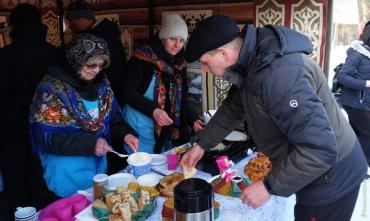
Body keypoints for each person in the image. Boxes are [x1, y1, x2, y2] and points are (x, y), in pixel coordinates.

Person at [181, 15, 368, 221]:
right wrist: (202, 145)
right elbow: (233, 108)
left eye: (205, 63)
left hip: (332, 177)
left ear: (224, 54)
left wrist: (269, 186)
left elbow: (319, 148)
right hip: (318, 168)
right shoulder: (253, 62)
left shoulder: (279, 75)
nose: (205, 70)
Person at [28, 33, 139, 197]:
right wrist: (90, 144)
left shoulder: (101, 83)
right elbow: (48, 138)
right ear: (76, 62)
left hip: (96, 166)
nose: (96, 70)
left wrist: (126, 134)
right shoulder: (51, 90)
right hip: (67, 172)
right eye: (91, 65)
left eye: (101, 65)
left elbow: (112, 115)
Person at [0, 3, 59, 215]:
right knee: (43, 180)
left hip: (11, 133)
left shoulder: (4, 56)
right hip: (48, 131)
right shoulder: (54, 54)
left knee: (17, 184)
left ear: (13, 26)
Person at [121, 13, 200, 154]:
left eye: (182, 40)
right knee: (141, 168)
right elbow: (128, 93)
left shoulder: (179, 63)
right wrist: (154, 110)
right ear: (163, 38)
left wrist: (193, 119)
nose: (177, 45)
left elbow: (183, 98)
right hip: (140, 127)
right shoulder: (142, 58)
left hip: (166, 130)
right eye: (172, 39)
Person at [64, 0, 127, 106]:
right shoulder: (107, 31)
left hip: (104, 94)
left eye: (71, 21)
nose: (70, 26)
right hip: (113, 92)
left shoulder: (95, 39)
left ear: (80, 18)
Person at [337, 24, 370, 165]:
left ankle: (355, 166)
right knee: (367, 134)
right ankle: (357, 166)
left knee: (357, 135)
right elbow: (342, 76)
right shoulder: (358, 53)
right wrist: (365, 83)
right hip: (354, 102)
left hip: (364, 102)